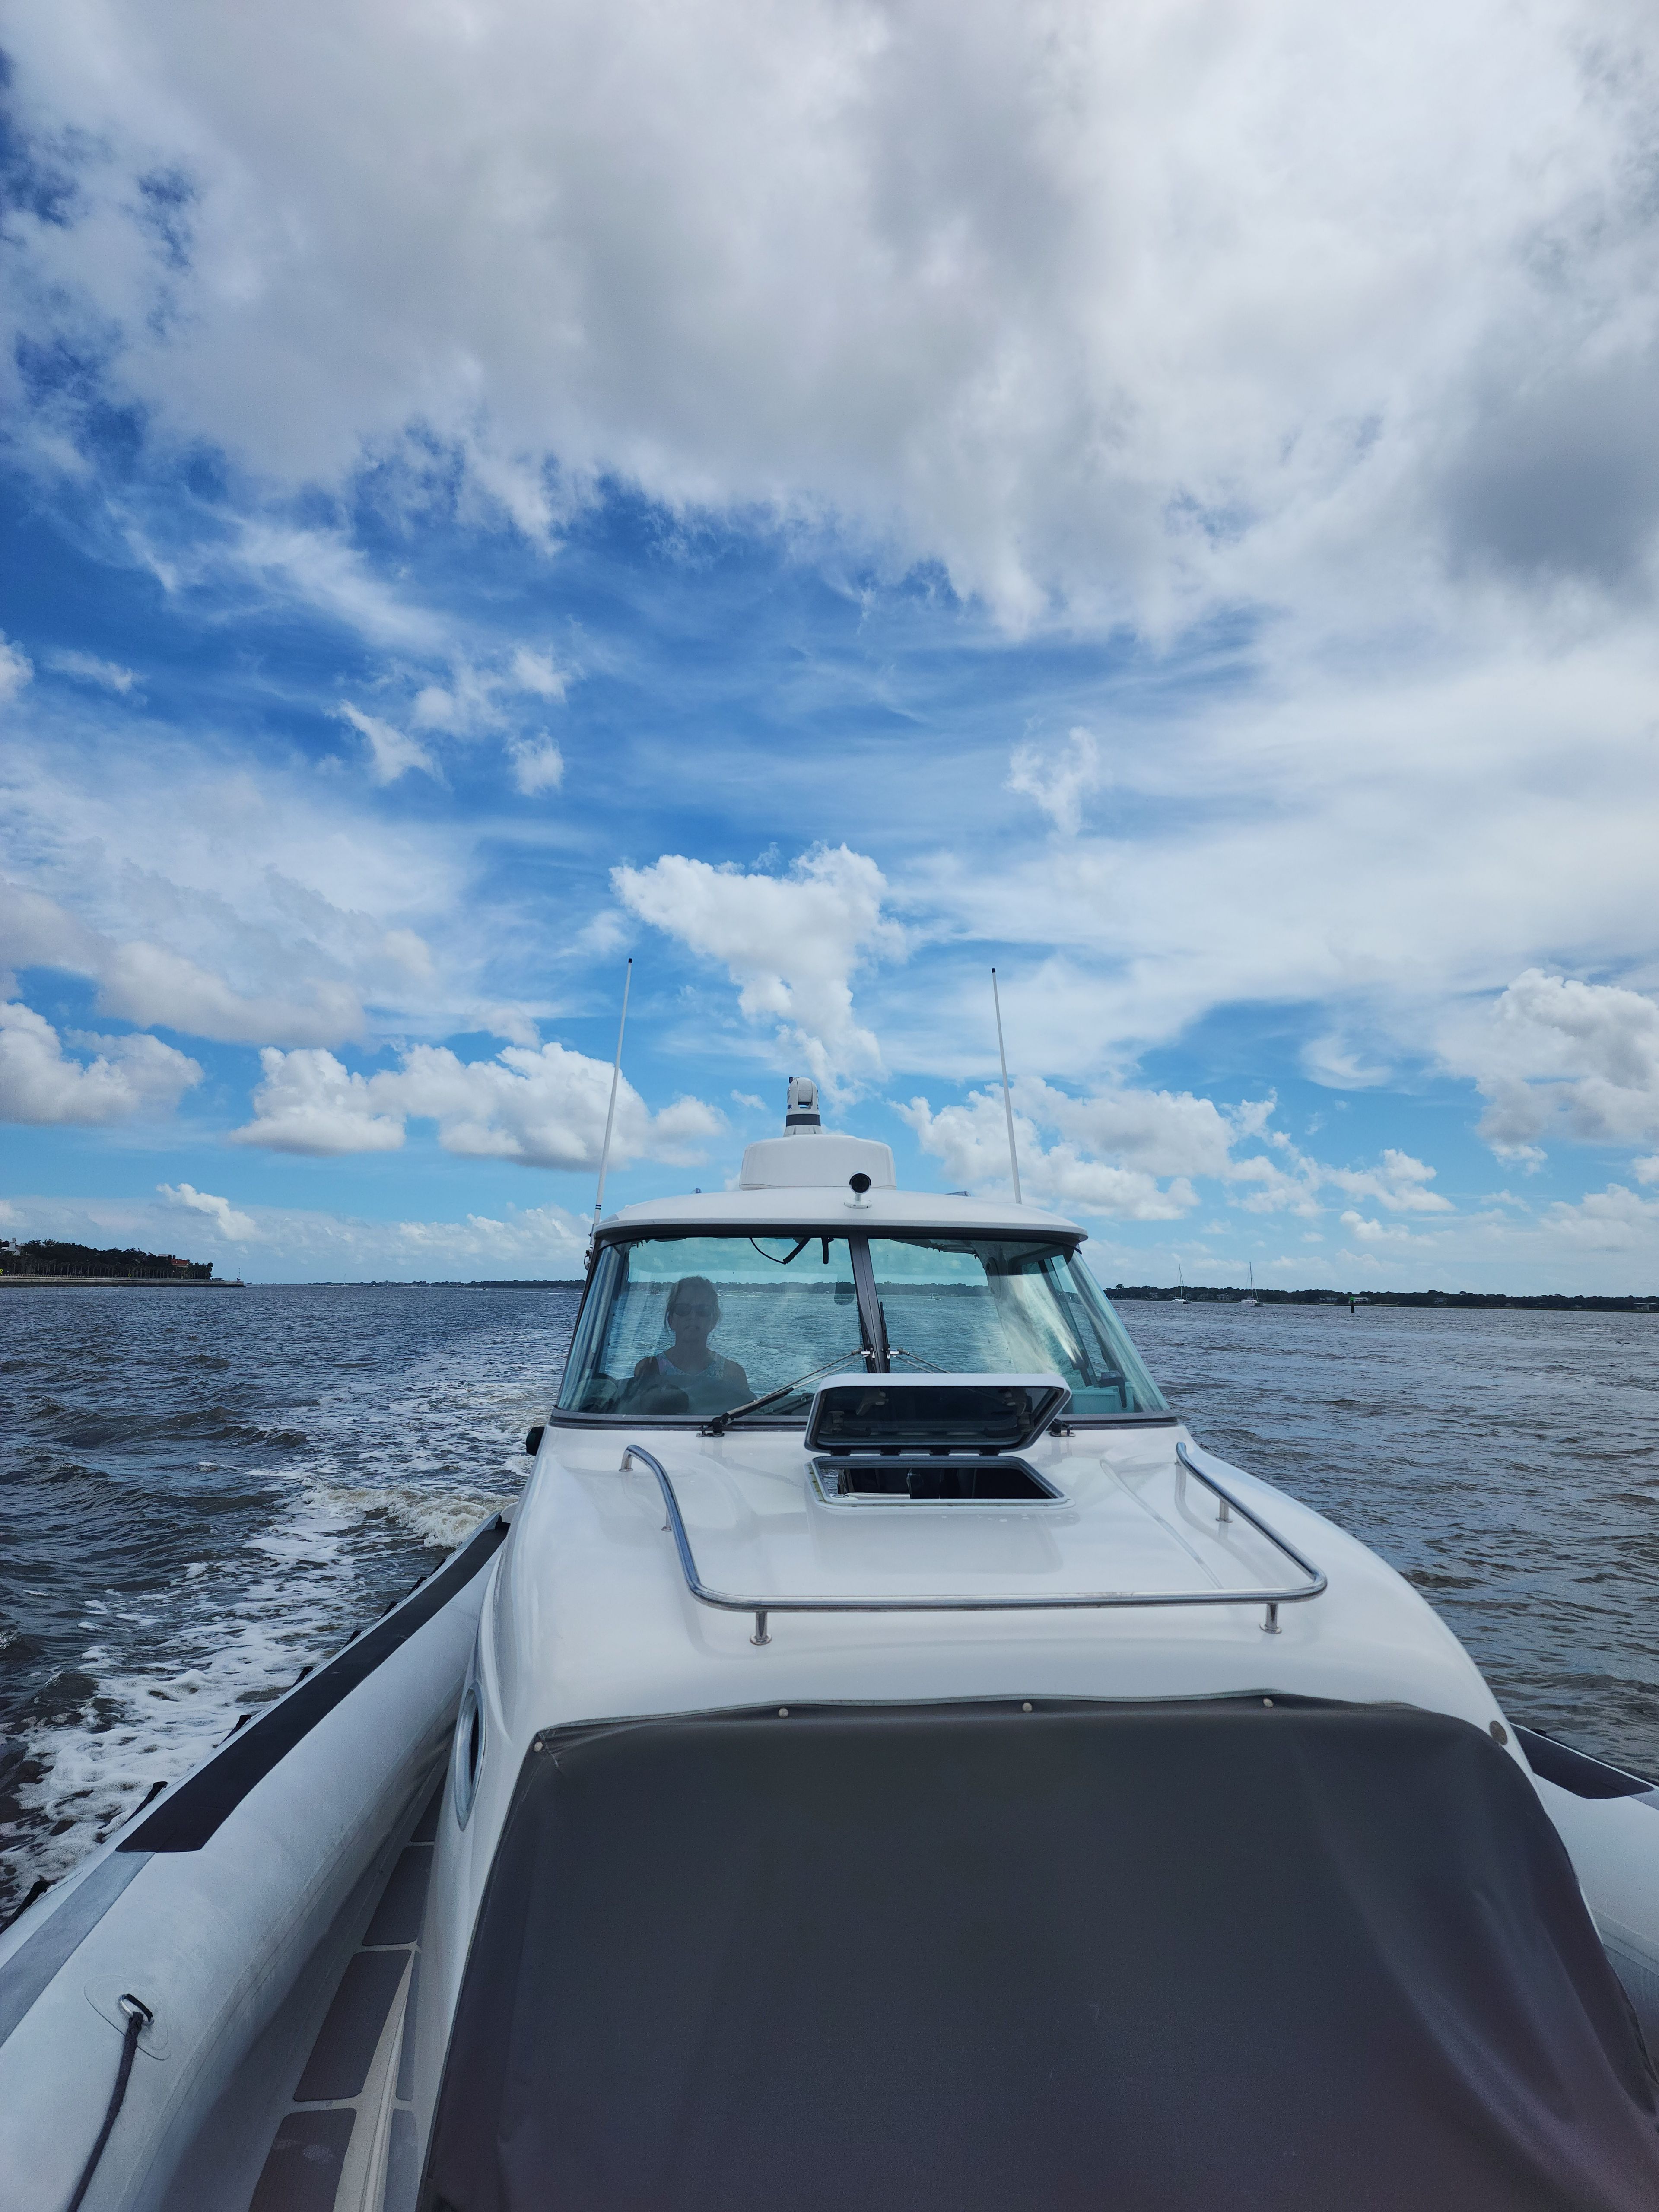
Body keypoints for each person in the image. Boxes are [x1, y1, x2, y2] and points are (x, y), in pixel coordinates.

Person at [626, 1276, 751, 1415]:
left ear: (713, 1321)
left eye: (702, 1310)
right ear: (671, 1320)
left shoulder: (733, 1375)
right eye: (683, 1309)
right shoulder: (649, 1369)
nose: (693, 1316)